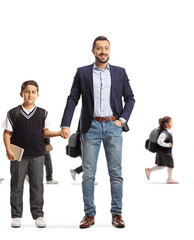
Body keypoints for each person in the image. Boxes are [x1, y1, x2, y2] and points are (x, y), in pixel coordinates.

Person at [60, 36, 135, 229]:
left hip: (113, 126)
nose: (103, 52)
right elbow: (73, 98)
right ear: (93, 51)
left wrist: (122, 120)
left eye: (106, 48)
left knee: (116, 173)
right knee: (88, 174)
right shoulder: (82, 72)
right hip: (90, 127)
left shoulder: (119, 72)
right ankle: (89, 215)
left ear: (110, 51)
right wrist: (65, 124)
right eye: (99, 48)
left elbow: (130, 99)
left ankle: (117, 214)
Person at [2, 80, 62, 228]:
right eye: (27, 91)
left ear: (38, 95)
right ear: (21, 94)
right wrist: (8, 150)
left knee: (37, 185)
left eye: (33, 92)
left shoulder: (43, 113)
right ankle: (16, 215)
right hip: (18, 156)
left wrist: (59, 133)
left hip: (37, 154)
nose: (30, 94)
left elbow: (45, 132)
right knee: (16, 185)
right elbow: (7, 133)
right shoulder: (13, 113)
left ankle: (38, 215)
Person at [145, 116, 178, 184]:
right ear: (166, 124)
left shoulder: (166, 132)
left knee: (162, 166)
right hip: (164, 152)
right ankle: (169, 179)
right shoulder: (164, 133)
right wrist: (167, 145)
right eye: (171, 122)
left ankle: (149, 170)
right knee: (170, 165)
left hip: (164, 152)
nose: (172, 124)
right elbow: (159, 141)